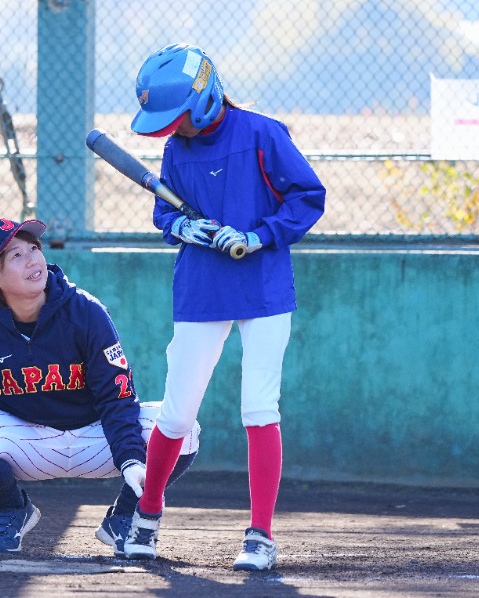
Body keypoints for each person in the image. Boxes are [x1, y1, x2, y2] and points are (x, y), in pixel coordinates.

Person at [122, 44, 326, 571]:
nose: (174, 129)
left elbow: (307, 196)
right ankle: (147, 513)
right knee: (177, 409)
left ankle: (260, 534)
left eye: (179, 117)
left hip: (262, 285)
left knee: (259, 407)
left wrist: (260, 236)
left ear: (207, 98)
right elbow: (164, 211)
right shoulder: (176, 148)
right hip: (202, 285)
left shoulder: (263, 133)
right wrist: (183, 228)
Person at [0, 218, 200, 553]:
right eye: (16, 255)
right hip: (29, 441)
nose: (33, 260)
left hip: (95, 436)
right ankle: (14, 508)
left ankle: (124, 516)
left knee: (181, 428)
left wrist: (130, 459)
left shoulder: (85, 311)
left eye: (34, 248)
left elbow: (117, 398)